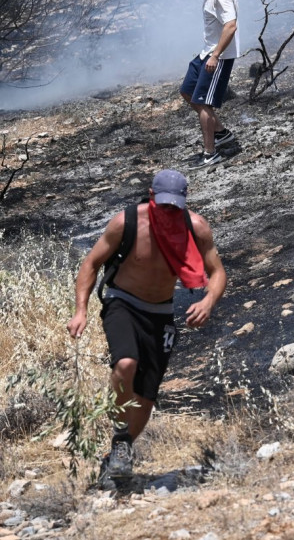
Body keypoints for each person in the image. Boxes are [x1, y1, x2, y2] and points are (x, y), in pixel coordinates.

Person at [67, 169, 226, 478]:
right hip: (122, 301)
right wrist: (81, 310)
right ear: (152, 197)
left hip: (161, 312)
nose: (169, 212)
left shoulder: (196, 228)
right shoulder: (125, 222)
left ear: (184, 202)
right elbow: (91, 263)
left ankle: (120, 447)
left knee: (147, 397)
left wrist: (207, 301)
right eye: (163, 205)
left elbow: (217, 272)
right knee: (126, 363)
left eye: (175, 207)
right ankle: (117, 424)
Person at [181, 0, 240, 168]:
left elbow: (231, 25)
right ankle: (221, 133)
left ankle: (210, 153)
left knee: (204, 103)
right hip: (206, 53)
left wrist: (215, 56)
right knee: (187, 91)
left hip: (218, 57)